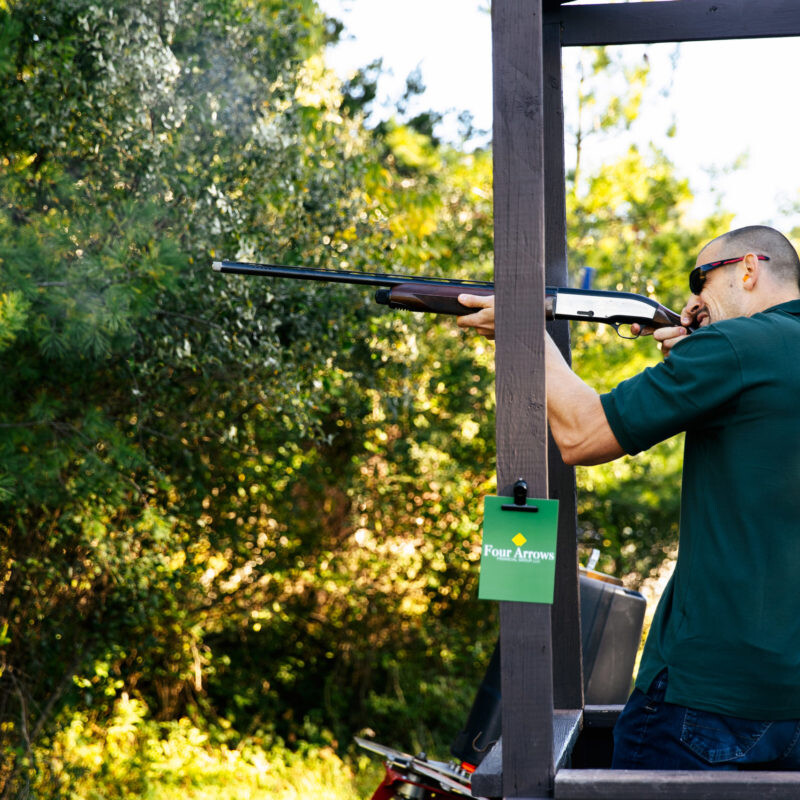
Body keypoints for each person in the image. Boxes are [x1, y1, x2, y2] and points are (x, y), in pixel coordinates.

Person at [456, 225, 800, 770]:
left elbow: (582, 435)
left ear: (750, 269)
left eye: (700, 279)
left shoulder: (737, 347)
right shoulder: (754, 356)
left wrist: (521, 330)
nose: (690, 304)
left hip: (708, 700)